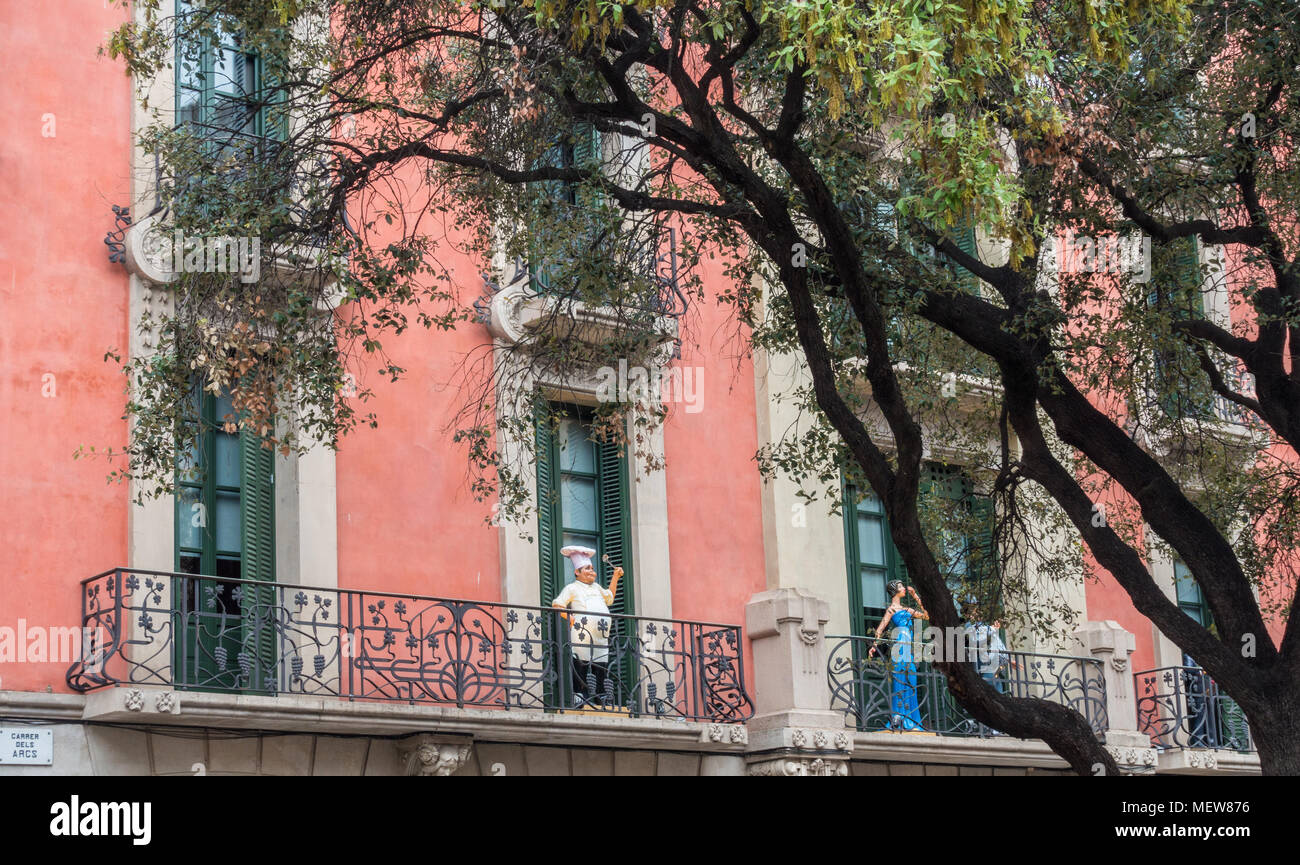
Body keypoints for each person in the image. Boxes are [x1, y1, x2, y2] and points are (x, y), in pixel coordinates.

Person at [551, 545, 623, 707]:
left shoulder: (597, 588)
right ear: (577, 572)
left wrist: (615, 577)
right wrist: (569, 617)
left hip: (601, 636)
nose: (591, 571)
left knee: (601, 665)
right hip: (582, 633)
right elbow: (557, 604)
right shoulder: (572, 588)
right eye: (587, 569)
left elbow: (609, 598)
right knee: (581, 664)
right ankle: (580, 696)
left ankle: (601, 696)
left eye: (592, 568)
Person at [868, 580, 928, 731]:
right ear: (895, 590)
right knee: (900, 680)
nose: (904, 589)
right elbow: (880, 629)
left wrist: (916, 596)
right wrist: (874, 646)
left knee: (911, 679)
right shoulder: (892, 610)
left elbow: (927, 616)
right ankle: (899, 718)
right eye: (901, 587)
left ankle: (911, 720)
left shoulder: (907, 609)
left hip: (909, 646)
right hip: (900, 645)